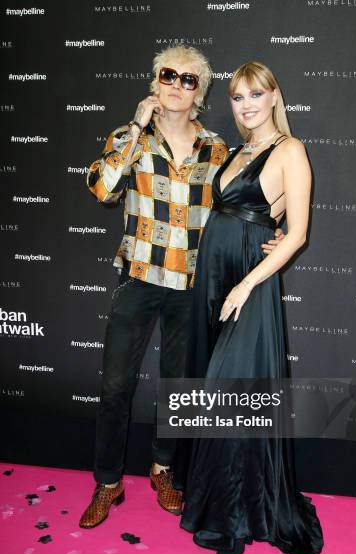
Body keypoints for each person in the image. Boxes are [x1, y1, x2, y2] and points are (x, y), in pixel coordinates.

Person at [79, 46, 283, 529]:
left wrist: (273, 234)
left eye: (188, 79)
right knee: (115, 386)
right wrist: (133, 129)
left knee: (180, 388)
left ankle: (163, 468)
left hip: (194, 284)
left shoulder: (217, 149)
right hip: (139, 277)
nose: (176, 84)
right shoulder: (130, 138)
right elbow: (102, 189)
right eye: (167, 75)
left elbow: (241, 203)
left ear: (201, 91)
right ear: (155, 82)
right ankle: (108, 482)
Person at [173, 61, 324, 554]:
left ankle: (237, 515)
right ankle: (222, 500)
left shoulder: (290, 151)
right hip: (213, 281)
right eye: (238, 97)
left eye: (257, 94)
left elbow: (296, 232)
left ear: (275, 96)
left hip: (247, 283)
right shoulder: (239, 151)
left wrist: (246, 283)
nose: (248, 104)